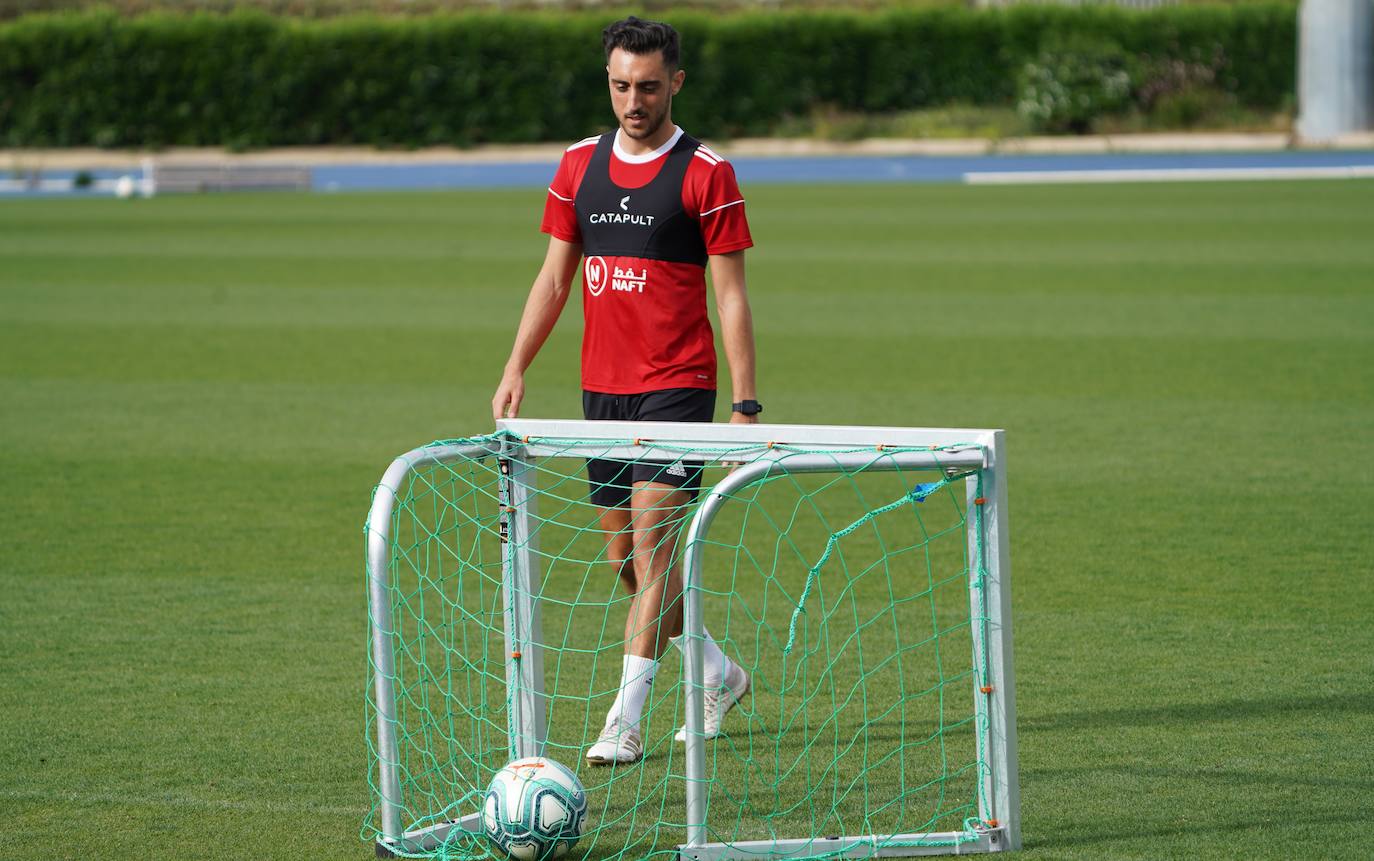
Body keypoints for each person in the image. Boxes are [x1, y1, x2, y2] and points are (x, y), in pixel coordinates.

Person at [491, 16, 759, 766]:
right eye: (620, 86)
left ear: (675, 82)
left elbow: (731, 297)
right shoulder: (579, 164)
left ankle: (624, 720)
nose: (633, 102)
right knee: (628, 562)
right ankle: (719, 672)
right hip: (602, 392)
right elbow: (554, 279)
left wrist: (744, 406)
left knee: (653, 548)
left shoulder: (707, 172)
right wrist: (515, 365)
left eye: (647, 87)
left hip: (677, 389)